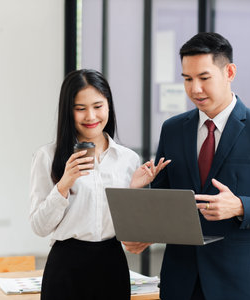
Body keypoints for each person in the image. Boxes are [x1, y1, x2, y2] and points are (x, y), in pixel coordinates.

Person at [124, 32, 250, 299]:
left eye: (204, 78)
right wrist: (145, 231)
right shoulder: (172, 129)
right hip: (181, 283)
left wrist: (240, 206)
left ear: (229, 72)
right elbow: (165, 200)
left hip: (240, 283)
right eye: (187, 79)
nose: (195, 88)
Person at [29, 69, 170, 300]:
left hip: (111, 264)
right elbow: (39, 227)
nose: (91, 116)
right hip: (66, 266)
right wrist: (64, 184)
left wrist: (133, 191)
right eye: (80, 108)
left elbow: (129, 234)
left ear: (108, 106)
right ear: (68, 111)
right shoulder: (48, 156)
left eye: (98, 106)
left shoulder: (128, 159)